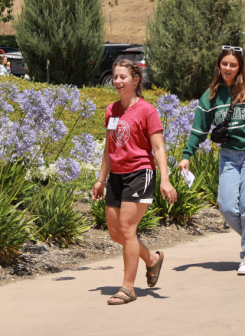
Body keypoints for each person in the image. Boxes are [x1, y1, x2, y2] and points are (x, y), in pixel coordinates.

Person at [179, 45, 245, 276]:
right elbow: (198, 131)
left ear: (240, 67)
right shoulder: (210, 95)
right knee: (225, 205)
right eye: (225, 63)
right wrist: (186, 156)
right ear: (219, 65)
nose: (228, 68)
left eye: (233, 64)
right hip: (229, 155)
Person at [91, 59, 177, 305]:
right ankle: (151, 259)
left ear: (135, 80)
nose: (118, 81)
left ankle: (128, 288)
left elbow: (158, 148)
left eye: (123, 77)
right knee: (116, 232)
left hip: (140, 172)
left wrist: (165, 180)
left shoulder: (147, 110)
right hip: (116, 176)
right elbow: (109, 148)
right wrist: (100, 179)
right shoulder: (111, 110)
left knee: (128, 229)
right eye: (115, 77)